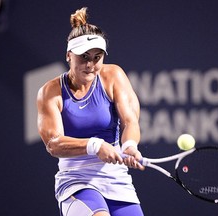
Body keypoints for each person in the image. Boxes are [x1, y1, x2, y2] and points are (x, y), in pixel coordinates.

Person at [37, 7, 144, 216]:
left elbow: (130, 121)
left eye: (97, 57)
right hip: (75, 180)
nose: (90, 65)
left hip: (116, 180)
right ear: (68, 55)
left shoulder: (113, 75)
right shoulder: (49, 92)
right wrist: (94, 145)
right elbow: (53, 144)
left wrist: (130, 145)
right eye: (83, 57)